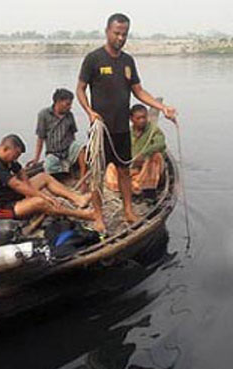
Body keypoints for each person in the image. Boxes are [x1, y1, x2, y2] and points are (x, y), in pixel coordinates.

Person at [77, 13, 177, 232]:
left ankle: (128, 210)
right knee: (97, 176)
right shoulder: (93, 59)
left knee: (123, 171)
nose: (121, 38)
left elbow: (138, 91)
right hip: (100, 130)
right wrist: (89, 111)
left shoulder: (128, 61)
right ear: (107, 31)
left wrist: (162, 107)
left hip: (122, 128)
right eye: (117, 33)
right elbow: (80, 89)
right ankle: (98, 215)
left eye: (124, 34)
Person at [0, 134, 94, 221]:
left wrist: (28, 187)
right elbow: (16, 184)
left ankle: (77, 198)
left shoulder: (4, 157)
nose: (16, 159)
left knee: (43, 177)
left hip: (12, 195)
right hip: (2, 208)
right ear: (5, 149)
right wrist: (42, 195)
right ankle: (82, 214)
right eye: (15, 155)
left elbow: (21, 170)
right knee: (41, 201)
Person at [105, 104, 166, 199]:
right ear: (131, 119)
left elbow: (160, 144)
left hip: (148, 170)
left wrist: (144, 154)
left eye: (144, 117)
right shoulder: (127, 132)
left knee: (156, 156)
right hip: (133, 169)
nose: (142, 120)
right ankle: (131, 187)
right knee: (111, 166)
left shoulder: (154, 130)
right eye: (138, 118)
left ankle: (148, 190)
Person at [26, 88, 87, 183]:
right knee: (49, 166)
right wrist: (36, 158)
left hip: (68, 149)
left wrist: (75, 153)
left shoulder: (69, 115)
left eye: (70, 104)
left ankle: (83, 178)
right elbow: (40, 138)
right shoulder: (44, 115)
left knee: (80, 146)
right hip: (53, 152)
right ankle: (58, 179)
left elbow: (73, 134)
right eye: (67, 104)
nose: (70, 107)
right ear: (58, 102)